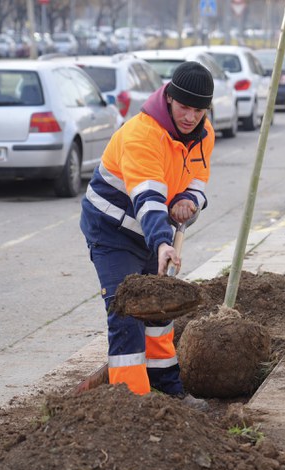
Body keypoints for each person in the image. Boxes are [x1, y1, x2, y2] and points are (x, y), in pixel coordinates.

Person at [79, 61, 215, 407]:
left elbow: (197, 181)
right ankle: (132, 404)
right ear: (169, 98)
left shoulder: (204, 135)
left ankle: (167, 390)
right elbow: (149, 198)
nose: (191, 117)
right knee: (126, 308)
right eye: (184, 107)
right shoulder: (141, 134)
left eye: (199, 110)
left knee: (159, 310)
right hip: (112, 230)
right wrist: (163, 243)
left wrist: (188, 200)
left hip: (152, 233)